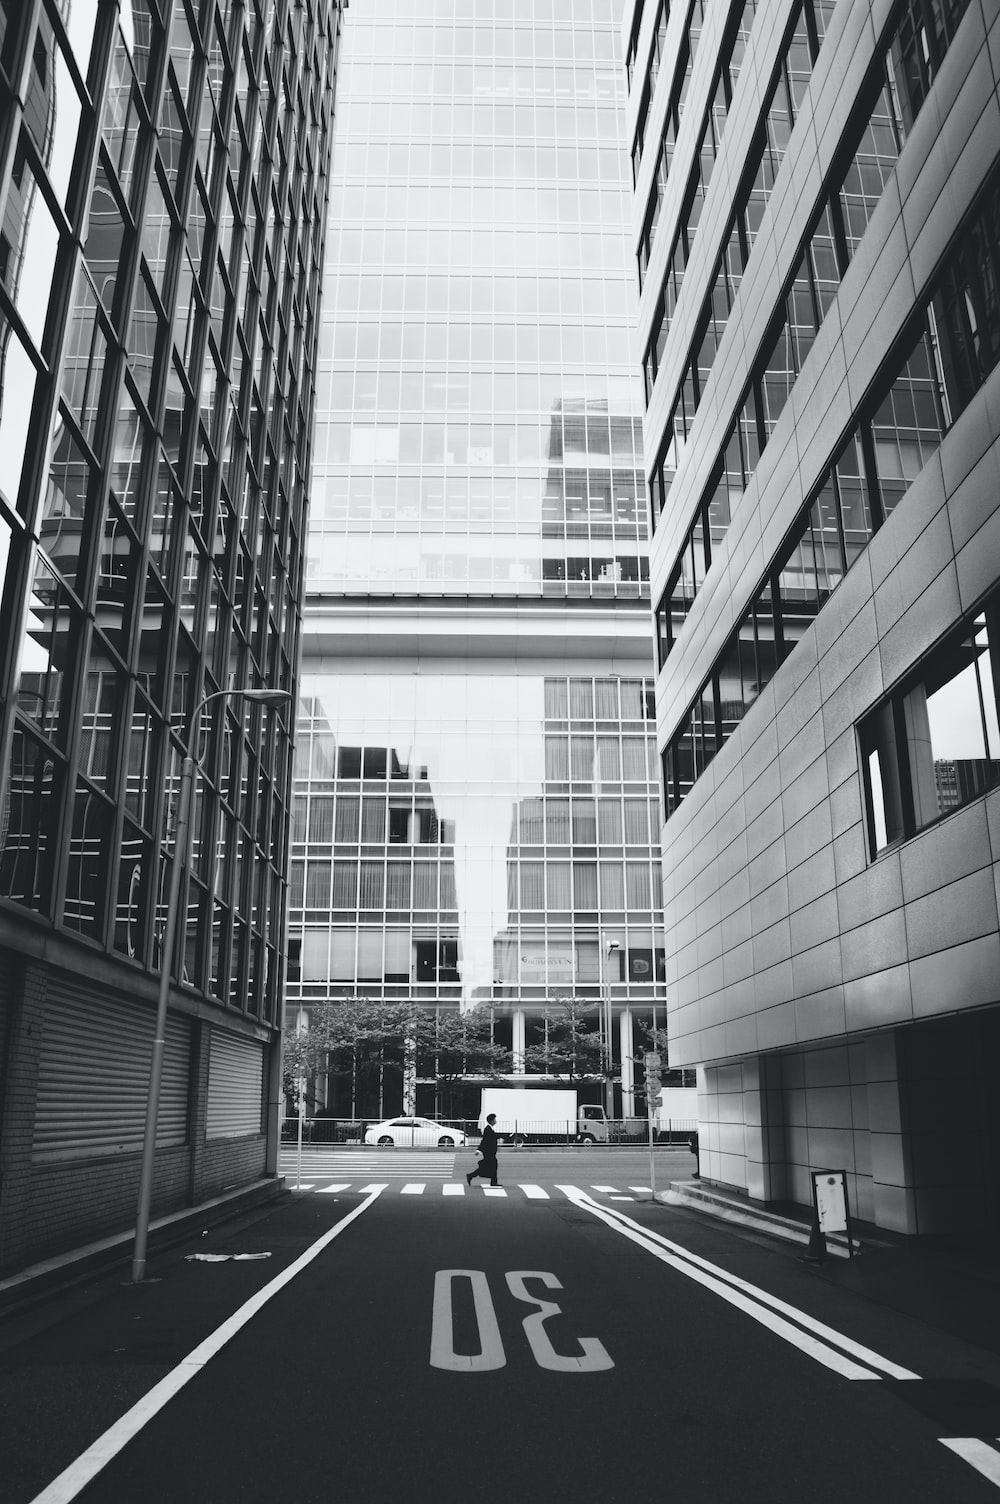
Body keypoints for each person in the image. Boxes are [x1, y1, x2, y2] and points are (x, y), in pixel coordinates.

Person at [467, 1113, 501, 1187]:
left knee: (488, 1166)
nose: (495, 1121)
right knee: (493, 1165)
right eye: (494, 1119)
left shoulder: (490, 1128)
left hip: (490, 1152)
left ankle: (471, 1176)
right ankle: (493, 1181)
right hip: (488, 1152)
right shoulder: (487, 1129)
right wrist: (479, 1150)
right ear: (492, 1121)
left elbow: (491, 1138)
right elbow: (484, 1141)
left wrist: (497, 1138)